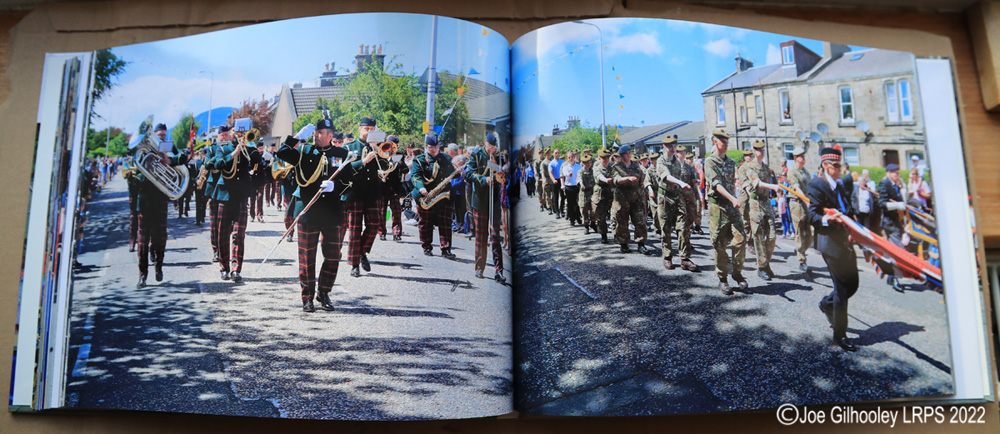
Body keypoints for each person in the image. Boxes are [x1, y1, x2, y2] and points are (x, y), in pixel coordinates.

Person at [276, 119, 350, 312]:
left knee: (333, 255)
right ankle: (307, 297)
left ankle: (324, 292)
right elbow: (282, 153)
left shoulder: (341, 154)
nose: (316, 135)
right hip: (308, 209)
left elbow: (349, 180)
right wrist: (297, 137)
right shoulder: (304, 151)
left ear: (330, 136)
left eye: (320, 132)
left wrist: (336, 187)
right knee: (307, 256)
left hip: (331, 210)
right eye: (315, 132)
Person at [809, 146, 860, 352]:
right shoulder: (816, 185)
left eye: (841, 165)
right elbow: (812, 215)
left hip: (846, 243)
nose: (840, 169)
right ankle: (840, 334)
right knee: (841, 290)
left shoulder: (840, 185)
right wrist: (827, 219)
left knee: (853, 285)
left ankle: (826, 304)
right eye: (836, 166)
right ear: (826, 166)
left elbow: (849, 209)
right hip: (830, 244)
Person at [135, 123, 188, 288]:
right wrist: (148, 168)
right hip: (144, 200)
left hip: (160, 200)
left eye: (164, 135)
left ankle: (158, 267)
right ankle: (142, 275)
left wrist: (169, 160)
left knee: (160, 238)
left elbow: (184, 158)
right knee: (143, 241)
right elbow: (134, 170)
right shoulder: (142, 149)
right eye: (159, 135)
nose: (161, 137)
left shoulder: (169, 146)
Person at [212, 124, 261, 283]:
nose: (239, 134)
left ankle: (235, 269)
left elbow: (258, 163)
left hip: (241, 196)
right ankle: (224, 267)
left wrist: (250, 148)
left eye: (242, 132)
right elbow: (217, 164)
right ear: (231, 132)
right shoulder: (223, 147)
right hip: (225, 195)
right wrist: (234, 154)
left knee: (239, 234)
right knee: (222, 235)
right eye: (236, 131)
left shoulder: (249, 147)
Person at [704, 131, 749, 294]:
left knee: (740, 240)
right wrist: (733, 198)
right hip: (718, 207)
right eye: (723, 142)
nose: (726, 145)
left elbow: (735, 181)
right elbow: (716, 185)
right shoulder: (710, 162)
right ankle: (723, 279)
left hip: (732, 206)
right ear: (716, 142)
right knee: (720, 245)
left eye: (727, 142)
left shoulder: (730, 162)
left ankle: (737, 273)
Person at [343, 116, 383, 277]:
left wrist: (379, 152)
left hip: (373, 192)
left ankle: (362, 251)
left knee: (375, 225)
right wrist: (364, 161)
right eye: (367, 129)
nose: (369, 132)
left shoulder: (379, 147)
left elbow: (387, 167)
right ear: (360, 129)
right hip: (355, 192)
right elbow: (345, 168)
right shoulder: (350, 146)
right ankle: (354, 264)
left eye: (372, 130)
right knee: (354, 229)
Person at [411, 135, 457, 258]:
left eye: (436, 147)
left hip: (443, 196)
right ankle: (426, 246)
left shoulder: (446, 158)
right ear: (426, 147)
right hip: (426, 195)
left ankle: (446, 249)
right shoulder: (419, 160)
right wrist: (421, 188)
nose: (434, 150)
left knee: (446, 222)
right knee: (425, 222)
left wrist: (458, 171)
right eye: (431, 147)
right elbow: (415, 175)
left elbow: (452, 174)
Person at [468, 133, 505, 282]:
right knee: (481, 236)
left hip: (494, 200)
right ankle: (479, 268)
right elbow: (469, 174)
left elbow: (503, 175)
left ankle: (499, 271)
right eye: (490, 146)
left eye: (494, 147)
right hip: (480, 200)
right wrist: (484, 179)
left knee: (495, 236)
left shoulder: (498, 156)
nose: (492, 149)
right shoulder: (476, 154)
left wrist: (499, 172)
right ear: (485, 143)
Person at [743, 141, 781, 281]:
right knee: (758, 237)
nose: (761, 152)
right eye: (758, 150)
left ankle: (766, 263)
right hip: (755, 203)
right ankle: (762, 266)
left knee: (771, 237)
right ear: (754, 151)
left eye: (763, 150)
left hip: (766, 203)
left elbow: (775, 183)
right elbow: (756, 182)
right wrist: (773, 186)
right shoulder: (750, 167)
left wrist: (777, 190)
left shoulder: (767, 169)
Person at [656, 139, 695, 270]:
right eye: (669, 146)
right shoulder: (661, 161)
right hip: (665, 197)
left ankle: (685, 259)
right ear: (664, 146)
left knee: (683, 227)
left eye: (674, 146)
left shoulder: (677, 162)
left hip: (677, 196)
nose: (672, 148)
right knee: (666, 228)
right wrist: (681, 183)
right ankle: (667, 257)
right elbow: (666, 176)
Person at [610, 145, 649, 255]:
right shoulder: (616, 167)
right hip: (622, 198)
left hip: (636, 198)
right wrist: (626, 178)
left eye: (629, 152)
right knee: (622, 221)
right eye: (626, 153)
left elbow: (641, 181)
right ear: (622, 156)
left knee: (640, 221)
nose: (629, 155)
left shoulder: (636, 167)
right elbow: (616, 180)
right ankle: (624, 244)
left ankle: (641, 244)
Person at [878, 163, 907, 292]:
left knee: (891, 251)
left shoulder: (896, 186)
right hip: (890, 223)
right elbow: (882, 203)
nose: (897, 175)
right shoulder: (884, 184)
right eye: (895, 173)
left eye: (898, 173)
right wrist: (897, 206)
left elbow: (902, 201)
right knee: (898, 251)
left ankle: (889, 274)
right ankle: (895, 278)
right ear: (889, 173)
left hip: (897, 223)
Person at [786, 147, 812, 273]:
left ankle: (800, 250)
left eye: (804, 156)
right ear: (796, 158)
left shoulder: (805, 172)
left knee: (810, 233)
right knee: (800, 232)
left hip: (807, 204)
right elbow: (796, 188)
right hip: (797, 204)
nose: (803, 158)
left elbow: (811, 187)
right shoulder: (792, 171)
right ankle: (802, 260)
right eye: (801, 156)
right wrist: (806, 200)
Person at [377, 135, 405, 241]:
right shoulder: (381, 154)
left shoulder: (399, 155)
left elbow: (406, 170)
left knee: (396, 211)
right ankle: (381, 232)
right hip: (383, 186)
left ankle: (397, 233)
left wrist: (401, 164)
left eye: (395, 145)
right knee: (382, 211)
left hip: (394, 187)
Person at [592, 148, 615, 244]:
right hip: (600, 193)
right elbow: (598, 176)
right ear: (599, 158)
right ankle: (604, 235)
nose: (605, 160)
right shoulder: (596, 167)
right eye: (603, 158)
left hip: (611, 193)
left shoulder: (613, 167)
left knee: (614, 215)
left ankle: (616, 233)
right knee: (601, 216)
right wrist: (606, 180)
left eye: (607, 158)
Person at [560, 150, 583, 226]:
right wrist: (568, 175)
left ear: (574, 157)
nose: (571, 158)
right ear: (567, 158)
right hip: (569, 186)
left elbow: (581, 175)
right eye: (569, 157)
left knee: (577, 203)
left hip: (577, 186)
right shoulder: (565, 167)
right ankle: (572, 219)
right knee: (570, 204)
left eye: (572, 157)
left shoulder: (579, 166)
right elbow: (565, 174)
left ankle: (578, 217)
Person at [645, 150, 662, 236]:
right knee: (655, 213)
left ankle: (664, 229)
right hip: (654, 193)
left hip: (662, 193)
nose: (655, 160)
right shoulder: (649, 170)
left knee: (663, 212)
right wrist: (651, 191)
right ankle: (657, 229)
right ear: (651, 160)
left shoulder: (662, 168)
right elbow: (647, 182)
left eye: (656, 158)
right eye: (653, 159)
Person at [578, 153, 596, 234]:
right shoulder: (581, 171)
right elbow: (579, 179)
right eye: (586, 163)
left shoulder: (593, 171)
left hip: (592, 193)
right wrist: (581, 184)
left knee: (594, 210)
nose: (588, 164)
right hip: (584, 194)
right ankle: (586, 226)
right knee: (584, 211)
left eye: (589, 162)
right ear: (583, 163)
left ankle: (593, 223)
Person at [548, 149, 565, 219]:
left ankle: (562, 210)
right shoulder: (551, 163)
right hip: (555, 180)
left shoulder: (563, 162)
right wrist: (553, 180)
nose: (557, 154)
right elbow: (550, 173)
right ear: (553, 154)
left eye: (558, 153)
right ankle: (557, 212)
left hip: (562, 180)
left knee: (563, 196)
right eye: (556, 153)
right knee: (556, 197)